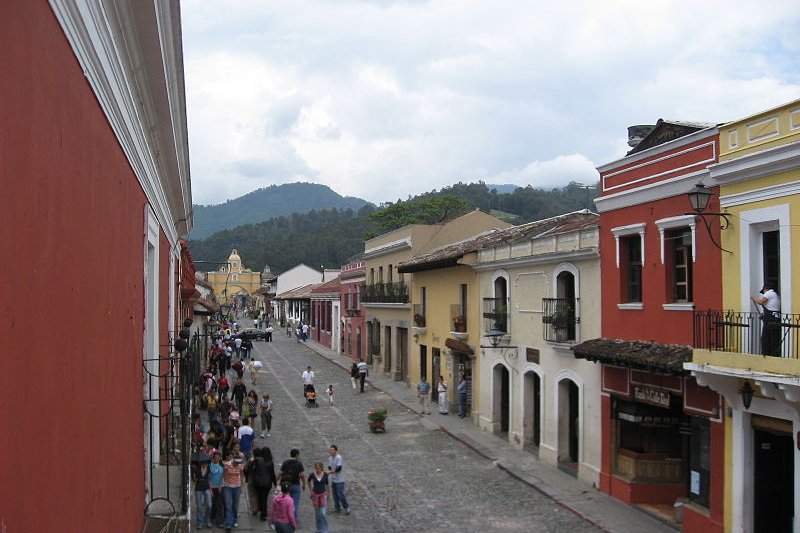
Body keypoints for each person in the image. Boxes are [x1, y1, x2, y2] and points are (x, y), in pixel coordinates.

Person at [752, 284, 782, 356]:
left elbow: (761, 302)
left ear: (765, 289)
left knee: (766, 337)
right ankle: (774, 352)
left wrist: (753, 298)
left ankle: (766, 353)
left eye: (764, 292)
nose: (764, 294)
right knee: (774, 336)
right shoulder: (776, 295)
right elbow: (771, 307)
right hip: (776, 317)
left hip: (770, 318)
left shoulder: (769, 293)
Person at [279, 449, 306, 521]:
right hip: (296, 484)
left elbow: (280, 473)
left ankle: (285, 516)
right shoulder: (299, 463)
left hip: (286, 485)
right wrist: (304, 484)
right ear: (296, 455)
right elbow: (302, 475)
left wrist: (276, 481)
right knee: (295, 502)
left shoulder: (285, 463)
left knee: (285, 501)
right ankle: (293, 518)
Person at [222, 450, 245, 532]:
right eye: (236, 463)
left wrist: (242, 487)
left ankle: (235, 519)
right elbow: (224, 474)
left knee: (235, 506)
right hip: (228, 487)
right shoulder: (227, 465)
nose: (237, 465)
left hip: (237, 487)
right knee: (228, 506)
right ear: (233, 461)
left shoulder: (241, 465)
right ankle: (229, 524)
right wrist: (225, 483)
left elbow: (242, 476)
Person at [326, 445, 350, 514]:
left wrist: (330, 472)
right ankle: (337, 508)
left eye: (332, 450)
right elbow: (330, 467)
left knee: (341, 494)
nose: (331, 451)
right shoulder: (330, 458)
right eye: (330, 450)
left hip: (340, 479)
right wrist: (330, 471)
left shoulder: (338, 457)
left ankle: (346, 507)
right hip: (333, 479)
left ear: (336, 451)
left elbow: (338, 469)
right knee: (334, 495)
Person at [308, 462, 330, 533]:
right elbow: (308, 481)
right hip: (315, 496)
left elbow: (327, 484)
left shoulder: (325, 474)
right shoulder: (312, 475)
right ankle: (319, 529)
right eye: (316, 468)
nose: (317, 469)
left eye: (319, 468)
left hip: (323, 495)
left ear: (321, 468)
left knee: (323, 513)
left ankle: (325, 529)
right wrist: (311, 490)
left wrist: (328, 493)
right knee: (317, 514)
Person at [192, 460, 212, 529]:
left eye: (206, 463)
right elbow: (194, 480)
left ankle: (207, 519)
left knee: (209, 505)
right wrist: (194, 479)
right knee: (199, 507)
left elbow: (209, 479)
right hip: (198, 488)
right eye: (204, 463)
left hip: (206, 487)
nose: (205, 464)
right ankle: (199, 522)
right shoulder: (196, 469)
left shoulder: (209, 468)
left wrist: (211, 490)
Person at [209, 452, 225, 528]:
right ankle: (212, 516)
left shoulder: (222, 465)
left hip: (220, 487)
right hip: (212, 487)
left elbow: (223, 476)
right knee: (213, 503)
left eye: (218, 457)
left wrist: (220, 485)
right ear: (213, 458)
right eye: (215, 457)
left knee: (219, 504)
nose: (217, 459)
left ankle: (220, 521)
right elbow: (208, 478)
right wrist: (211, 489)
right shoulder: (210, 466)